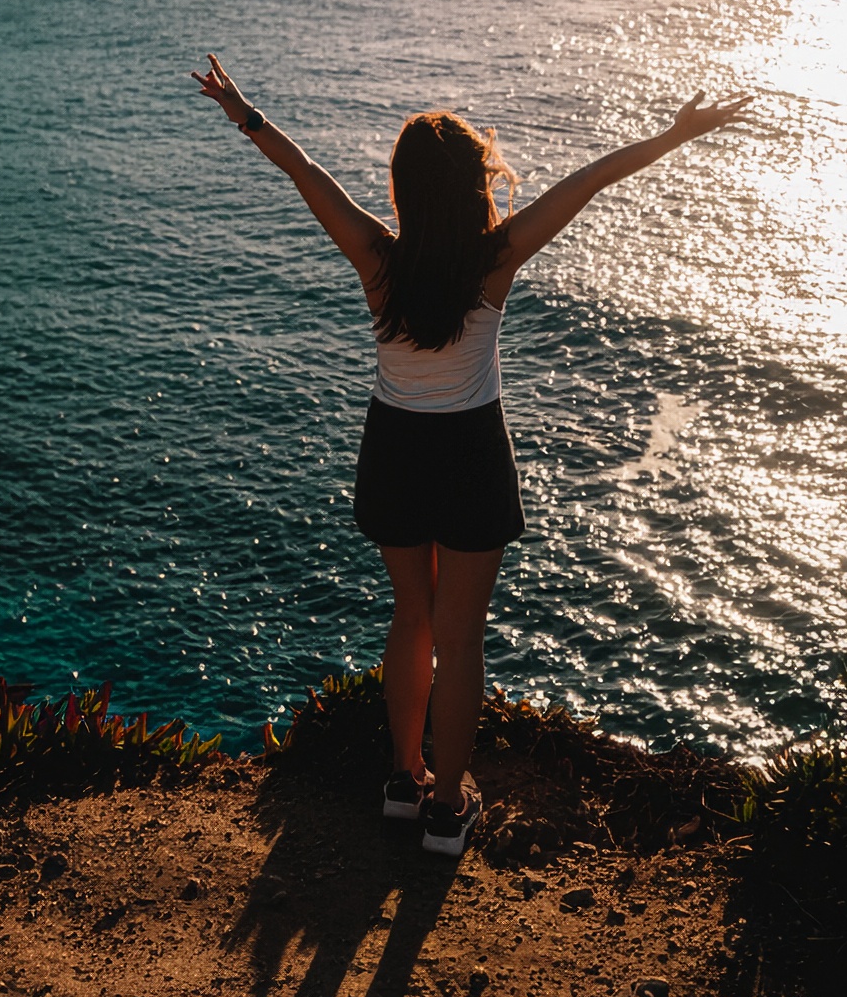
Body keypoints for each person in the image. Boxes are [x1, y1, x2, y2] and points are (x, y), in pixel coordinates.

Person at [193, 55, 750, 857]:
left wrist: (242, 110)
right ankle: (448, 812)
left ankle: (402, 780)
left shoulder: (375, 257)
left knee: (411, 616)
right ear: (470, 187)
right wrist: (672, 135)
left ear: (402, 188)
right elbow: (589, 182)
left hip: (393, 447)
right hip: (470, 453)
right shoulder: (495, 260)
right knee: (461, 637)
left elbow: (303, 170)